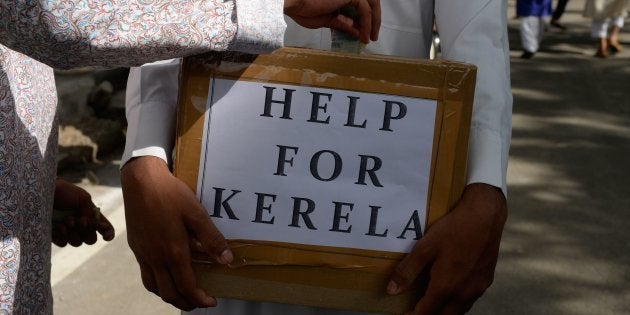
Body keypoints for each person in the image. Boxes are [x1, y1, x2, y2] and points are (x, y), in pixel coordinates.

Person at [120, 0, 512, 314]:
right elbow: (166, 10)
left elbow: (478, 37)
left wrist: (485, 185)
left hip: (384, 235)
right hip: (225, 218)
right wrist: (144, 156)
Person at [0, 0, 380, 313]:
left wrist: (27, 180)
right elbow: (56, 15)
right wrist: (145, 156)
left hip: (380, 230)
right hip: (223, 197)